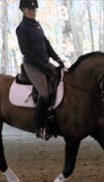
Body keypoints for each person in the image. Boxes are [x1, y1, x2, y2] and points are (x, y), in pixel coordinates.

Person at [16, 0, 64, 139]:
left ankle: (55, 120)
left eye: (34, 9)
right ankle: (39, 127)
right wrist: (42, 66)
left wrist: (57, 59)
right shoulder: (21, 28)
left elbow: (46, 44)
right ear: (23, 10)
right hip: (32, 66)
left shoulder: (37, 25)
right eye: (29, 9)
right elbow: (25, 51)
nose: (32, 11)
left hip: (44, 63)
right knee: (45, 93)